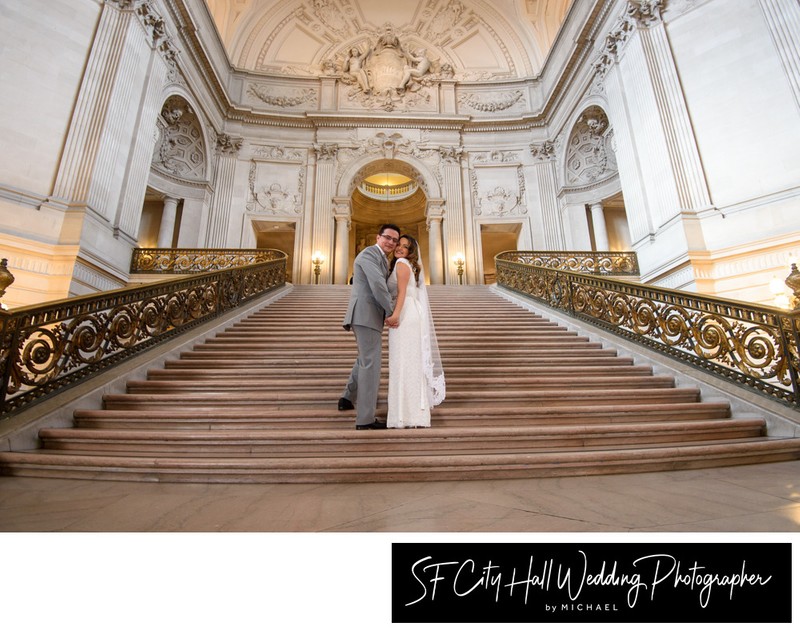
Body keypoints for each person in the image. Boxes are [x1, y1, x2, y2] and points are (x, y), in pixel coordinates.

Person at [339, 224, 401, 430]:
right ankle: (365, 419)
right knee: (371, 365)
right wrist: (392, 311)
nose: (391, 242)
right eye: (388, 237)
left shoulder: (382, 258)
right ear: (378, 237)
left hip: (369, 315)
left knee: (365, 359)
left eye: (395, 240)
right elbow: (377, 285)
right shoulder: (368, 254)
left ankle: (347, 398)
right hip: (365, 314)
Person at [384, 235, 445, 428]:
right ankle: (415, 415)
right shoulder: (406, 265)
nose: (400, 249)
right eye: (399, 245)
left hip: (406, 314)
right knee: (409, 363)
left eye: (405, 247)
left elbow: (401, 292)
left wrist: (395, 315)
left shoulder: (401, 263)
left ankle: (402, 416)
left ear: (410, 252)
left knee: (401, 363)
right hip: (412, 311)